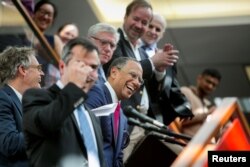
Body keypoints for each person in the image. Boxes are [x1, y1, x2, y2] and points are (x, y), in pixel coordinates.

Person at [102, 0, 180, 161]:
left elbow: (154, 93)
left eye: (145, 22)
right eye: (136, 19)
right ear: (125, 16)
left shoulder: (143, 53)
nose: (139, 25)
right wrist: (153, 62)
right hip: (121, 120)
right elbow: (118, 72)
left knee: (180, 154)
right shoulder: (113, 41)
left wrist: (159, 70)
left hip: (144, 122)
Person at [22, 38, 106, 167]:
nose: (88, 72)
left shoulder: (91, 115)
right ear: (62, 67)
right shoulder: (36, 96)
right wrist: (75, 86)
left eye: (94, 67)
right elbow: (47, 123)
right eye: (81, 65)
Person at [86, 57, 143, 167]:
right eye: (133, 75)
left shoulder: (122, 117)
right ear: (114, 73)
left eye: (140, 80)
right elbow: (84, 135)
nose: (137, 83)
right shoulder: (96, 92)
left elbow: (118, 157)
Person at [141, 13, 193, 125]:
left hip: (157, 118)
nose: (153, 31)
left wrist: (184, 105)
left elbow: (173, 87)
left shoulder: (167, 57)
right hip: (132, 112)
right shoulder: (130, 50)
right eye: (150, 26)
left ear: (162, 35)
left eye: (158, 29)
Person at [0, 46, 44, 167]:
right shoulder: (2, 99)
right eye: (38, 68)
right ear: (23, 70)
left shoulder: (29, 102)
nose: (42, 73)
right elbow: (9, 143)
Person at [179, 68, 222, 137]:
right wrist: (207, 114)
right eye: (208, 81)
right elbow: (180, 120)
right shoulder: (186, 92)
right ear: (199, 78)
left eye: (214, 85)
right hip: (186, 143)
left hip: (205, 145)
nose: (210, 86)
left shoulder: (207, 104)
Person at [31, 0, 63, 87]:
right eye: (42, 12)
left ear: (52, 20)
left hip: (38, 88)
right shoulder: (20, 34)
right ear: (34, 13)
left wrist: (44, 53)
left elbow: (62, 66)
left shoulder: (54, 40)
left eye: (49, 14)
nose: (45, 17)